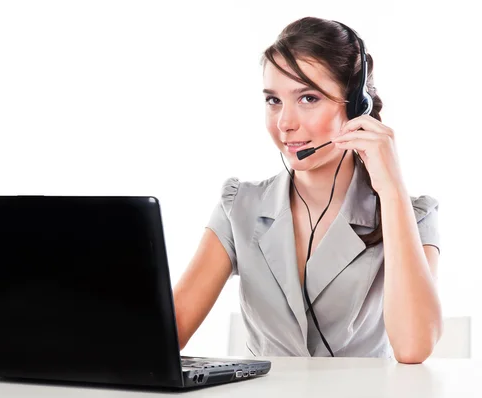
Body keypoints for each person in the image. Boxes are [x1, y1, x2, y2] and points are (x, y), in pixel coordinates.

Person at [172, 17, 442, 365]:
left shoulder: (412, 213)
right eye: (273, 100)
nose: (285, 123)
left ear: (357, 106)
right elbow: (169, 331)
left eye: (308, 98)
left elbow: (413, 347)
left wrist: (390, 190)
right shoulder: (239, 205)